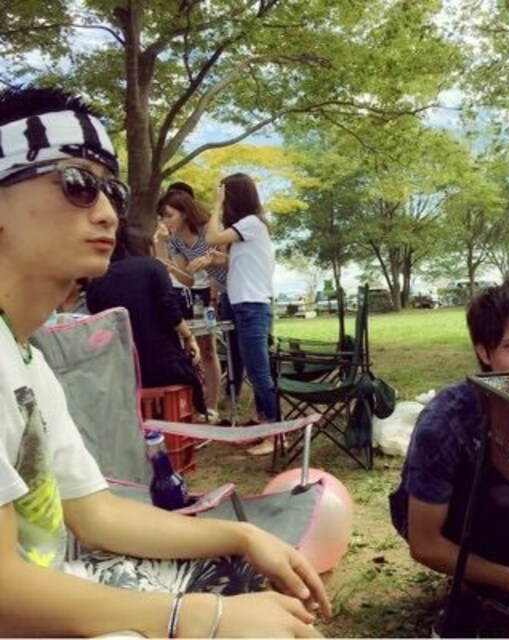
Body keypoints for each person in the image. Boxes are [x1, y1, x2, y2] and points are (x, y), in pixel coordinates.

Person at [0, 84, 330, 637]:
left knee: (262, 586)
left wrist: (243, 534)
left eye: (113, 192)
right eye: (78, 184)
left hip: (69, 580)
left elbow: (97, 514)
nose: (107, 213)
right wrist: (198, 618)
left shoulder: (25, 357)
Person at [389, 278, 509, 637]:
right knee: (501, 502)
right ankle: (475, 593)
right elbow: (425, 543)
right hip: (455, 521)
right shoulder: (447, 419)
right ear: (485, 353)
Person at [85, 220, 208, 417]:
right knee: (184, 373)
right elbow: (169, 309)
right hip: (162, 364)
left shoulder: (97, 279)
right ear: (143, 244)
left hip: (122, 369)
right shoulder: (153, 267)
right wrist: (189, 337)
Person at [206, 173, 278, 456]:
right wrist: (222, 260)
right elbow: (246, 264)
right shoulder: (250, 228)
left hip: (252, 307)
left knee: (259, 374)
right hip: (245, 307)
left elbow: (211, 237)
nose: (223, 204)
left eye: (226, 197)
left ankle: (275, 435)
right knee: (255, 371)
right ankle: (264, 425)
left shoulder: (250, 223)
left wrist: (215, 205)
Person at [155, 189, 226, 422]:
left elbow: (227, 259)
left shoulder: (207, 230)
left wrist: (214, 298)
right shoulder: (175, 239)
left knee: (209, 349)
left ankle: (212, 406)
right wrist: (163, 247)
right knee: (197, 348)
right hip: (195, 294)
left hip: (222, 290)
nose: (165, 221)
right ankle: (199, 404)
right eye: (162, 217)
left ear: (185, 212)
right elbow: (187, 278)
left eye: (169, 215)